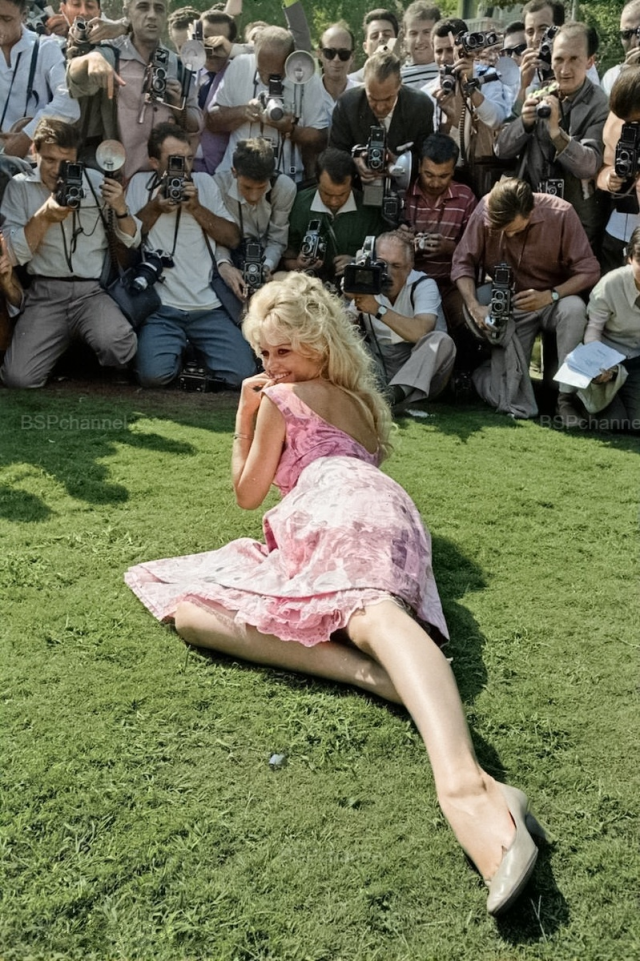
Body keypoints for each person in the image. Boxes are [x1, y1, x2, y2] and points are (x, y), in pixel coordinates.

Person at [124, 271, 545, 917]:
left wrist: (244, 419)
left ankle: (468, 789)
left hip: (338, 506)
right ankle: (381, 679)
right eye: (264, 352)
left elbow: (247, 493)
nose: (271, 365)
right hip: (386, 510)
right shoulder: (364, 405)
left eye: (284, 351)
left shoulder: (279, 400)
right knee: (194, 613)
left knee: (368, 611)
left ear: (319, 345)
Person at [0, 118, 140, 388]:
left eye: (66, 162)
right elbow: (13, 256)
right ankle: (58, 351)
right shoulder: (19, 187)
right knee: (18, 378)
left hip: (91, 292)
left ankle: (74, 351)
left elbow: (132, 240)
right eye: (49, 160)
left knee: (119, 346)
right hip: (45, 293)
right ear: (34, 152)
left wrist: (121, 208)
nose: (57, 170)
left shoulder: (96, 182)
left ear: (77, 158)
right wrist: (44, 216)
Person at [451, 177, 601, 425]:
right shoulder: (485, 208)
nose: (508, 235)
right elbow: (462, 263)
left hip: (552, 300)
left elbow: (589, 270)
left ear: (531, 212)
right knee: (510, 401)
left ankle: (566, 400)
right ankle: (482, 374)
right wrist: (474, 306)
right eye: (501, 231)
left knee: (575, 309)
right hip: (511, 306)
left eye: (514, 230)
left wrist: (551, 294)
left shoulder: (561, 212)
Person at [126, 122, 254, 388]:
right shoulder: (140, 184)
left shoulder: (204, 183)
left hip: (207, 307)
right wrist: (156, 207)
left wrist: (197, 208)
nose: (183, 167)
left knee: (241, 373)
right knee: (153, 376)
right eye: (174, 160)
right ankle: (181, 351)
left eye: (187, 159)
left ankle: (192, 355)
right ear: (154, 162)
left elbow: (233, 237)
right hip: (161, 307)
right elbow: (127, 241)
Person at [494, 22, 609, 252]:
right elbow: (501, 149)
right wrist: (524, 123)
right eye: (559, 59)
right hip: (532, 213)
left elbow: (589, 165)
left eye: (574, 59)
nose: (565, 69)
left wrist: (556, 133)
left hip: (578, 220)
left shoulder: (600, 104)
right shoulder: (537, 93)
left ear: (590, 61)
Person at [66, 0, 201, 180]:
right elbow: (74, 80)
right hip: (114, 179)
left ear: (166, 15)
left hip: (161, 182)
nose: (152, 15)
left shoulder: (178, 66)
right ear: (127, 13)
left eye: (159, 9)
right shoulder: (110, 55)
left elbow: (196, 125)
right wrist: (90, 59)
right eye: (143, 7)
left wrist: (178, 106)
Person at [345, 230, 455, 411]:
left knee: (441, 341)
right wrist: (349, 302)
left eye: (396, 266)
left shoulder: (424, 284)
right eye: (381, 264)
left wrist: (377, 309)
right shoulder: (368, 279)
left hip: (418, 365)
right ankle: (381, 397)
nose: (387, 273)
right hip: (379, 364)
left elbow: (420, 332)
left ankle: (392, 397)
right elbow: (345, 327)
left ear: (409, 267)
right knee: (347, 337)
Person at [209, 25, 328, 184]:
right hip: (235, 177)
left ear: (291, 61)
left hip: (287, 181)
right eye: (260, 71)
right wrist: (243, 112)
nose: (266, 79)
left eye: (274, 75)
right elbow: (212, 121)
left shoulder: (307, 78)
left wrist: (290, 129)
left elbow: (320, 139)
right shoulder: (240, 65)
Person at [402, 133, 480, 371]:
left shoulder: (465, 197)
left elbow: (477, 251)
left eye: (443, 176)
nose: (435, 182)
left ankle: (462, 374)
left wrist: (450, 248)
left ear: (454, 170)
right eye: (429, 174)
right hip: (409, 283)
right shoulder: (403, 193)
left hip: (450, 284)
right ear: (419, 167)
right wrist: (404, 243)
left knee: (467, 316)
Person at [329, 49, 434, 183]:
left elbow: (427, 158)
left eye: (388, 99)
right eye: (372, 98)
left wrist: (399, 162)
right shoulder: (347, 105)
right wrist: (354, 164)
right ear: (364, 84)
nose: (380, 107)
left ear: (400, 84)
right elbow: (334, 155)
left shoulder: (420, 106)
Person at [282, 147, 384, 285]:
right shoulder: (299, 205)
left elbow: (381, 259)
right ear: (317, 181)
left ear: (352, 182)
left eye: (342, 194)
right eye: (327, 194)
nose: (334, 201)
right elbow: (286, 258)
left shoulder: (368, 210)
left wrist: (356, 262)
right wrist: (299, 265)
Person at [213, 137, 296, 301]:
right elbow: (217, 237)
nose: (254, 196)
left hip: (268, 261)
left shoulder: (284, 187)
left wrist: (266, 267)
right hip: (230, 256)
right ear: (234, 172)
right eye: (247, 187)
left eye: (261, 187)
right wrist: (225, 265)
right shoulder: (217, 185)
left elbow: (277, 239)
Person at [0, 0, 80, 160]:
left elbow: (68, 104)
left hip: (36, 161)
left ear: (24, 15)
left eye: (6, 19)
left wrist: (26, 136)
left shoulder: (45, 48)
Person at [581, 225, 640, 431]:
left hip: (637, 361)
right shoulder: (611, 284)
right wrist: (599, 362)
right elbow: (593, 330)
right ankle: (581, 401)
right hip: (606, 360)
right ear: (630, 258)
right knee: (613, 423)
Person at [596, 64, 640, 274]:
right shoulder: (617, 121)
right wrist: (609, 178)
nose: (630, 127)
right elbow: (604, 168)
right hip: (619, 233)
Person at [316, 22, 358, 126]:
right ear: (320, 54)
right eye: (329, 53)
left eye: (344, 54)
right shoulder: (307, 93)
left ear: (352, 57)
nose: (336, 59)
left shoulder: (362, 95)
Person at [348, 7, 399, 84]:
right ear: (365, 47)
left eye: (386, 35)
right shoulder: (352, 82)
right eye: (374, 36)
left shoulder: (408, 78)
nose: (381, 38)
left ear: (397, 43)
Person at [601, 0, 640, 96]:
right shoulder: (612, 78)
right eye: (626, 34)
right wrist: (626, 79)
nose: (634, 41)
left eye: (639, 32)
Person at [400, 2, 440, 89]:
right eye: (413, 33)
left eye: (426, 32)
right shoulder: (397, 79)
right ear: (405, 36)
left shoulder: (450, 72)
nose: (419, 40)